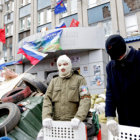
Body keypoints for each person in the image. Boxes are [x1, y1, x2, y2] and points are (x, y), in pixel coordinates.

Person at [42, 54, 91, 130]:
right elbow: (47, 99)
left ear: (70, 65)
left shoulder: (80, 80)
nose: (62, 67)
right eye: (60, 65)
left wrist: (79, 117)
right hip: (57, 123)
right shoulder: (53, 81)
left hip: (74, 123)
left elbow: (85, 98)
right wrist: (46, 117)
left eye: (65, 64)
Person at [105, 34, 140, 136]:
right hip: (125, 119)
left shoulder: (138, 58)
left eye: (119, 56)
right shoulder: (111, 67)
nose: (118, 59)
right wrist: (110, 117)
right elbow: (110, 92)